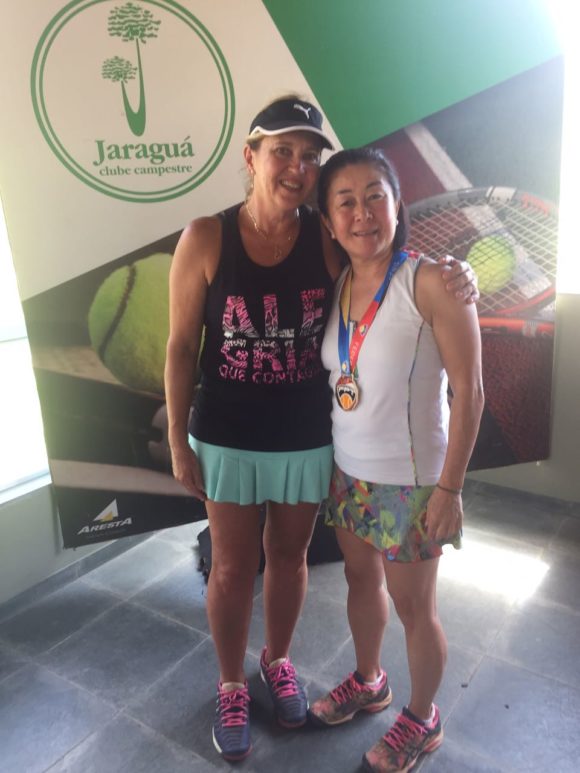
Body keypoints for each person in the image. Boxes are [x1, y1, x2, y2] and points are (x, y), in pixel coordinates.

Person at [164, 96, 478, 763]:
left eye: (309, 156)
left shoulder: (327, 242)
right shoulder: (209, 238)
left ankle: (285, 664)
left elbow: (392, 271)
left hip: (313, 440)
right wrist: (176, 444)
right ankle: (239, 685)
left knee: (294, 561)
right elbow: (180, 348)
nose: (297, 167)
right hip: (246, 440)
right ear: (251, 157)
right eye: (282, 151)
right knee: (237, 568)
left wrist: (457, 272)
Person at [309, 147, 484, 773]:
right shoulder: (337, 285)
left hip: (412, 486)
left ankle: (422, 718)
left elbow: (471, 392)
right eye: (345, 202)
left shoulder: (432, 281)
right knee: (360, 585)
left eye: (374, 197)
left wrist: (450, 490)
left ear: (397, 204)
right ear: (329, 222)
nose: (362, 214)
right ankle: (369, 680)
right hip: (349, 474)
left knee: (415, 611)